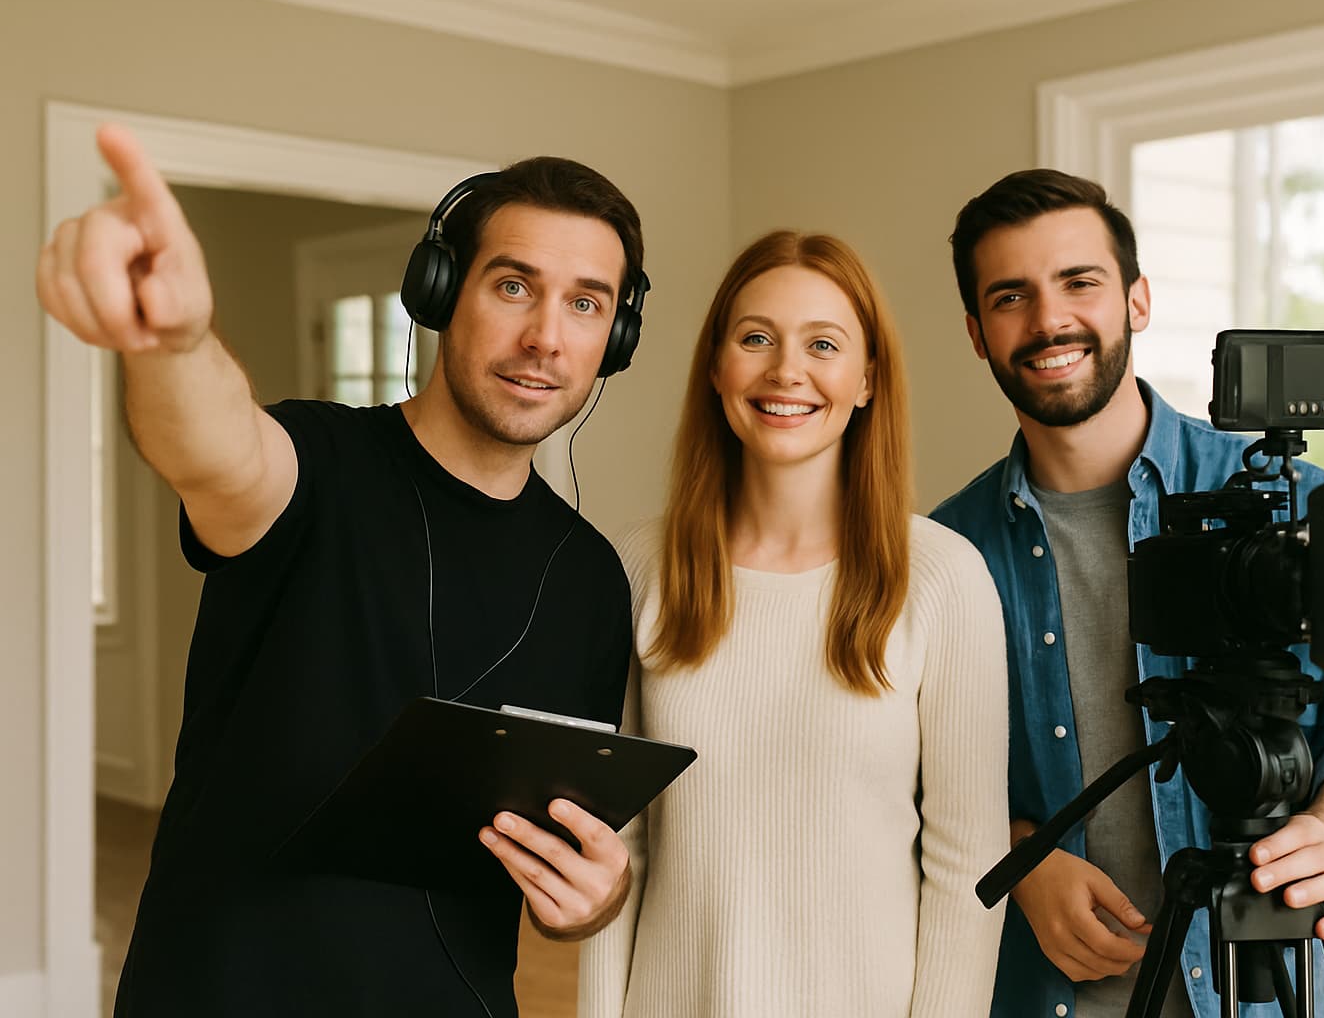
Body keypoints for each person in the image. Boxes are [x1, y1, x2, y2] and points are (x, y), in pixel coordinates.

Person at [37, 124, 645, 1016]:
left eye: (588, 304)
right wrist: (172, 338)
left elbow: (558, 849)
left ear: (617, 337)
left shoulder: (592, 578)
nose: (546, 336)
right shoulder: (315, 465)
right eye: (513, 285)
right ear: (438, 294)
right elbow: (215, 448)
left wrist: (596, 901)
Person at [930, 169, 1324, 1018]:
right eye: (1012, 296)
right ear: (978, 334)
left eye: (1079, 282)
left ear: (1138, 300)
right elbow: (921, 774)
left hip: (1270, 988)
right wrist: (1024, 859)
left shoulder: (1287, 499)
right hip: (1056, 995)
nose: (1050, 320)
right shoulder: (943, 550)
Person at [577, 230, 1010, 1017]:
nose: (787, 371)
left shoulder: (945, 579)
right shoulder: (639, 565)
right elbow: (620, 848)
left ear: (867, 377)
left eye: (823, 344)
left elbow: (967, 868)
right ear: (716, 367)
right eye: (755, 339)